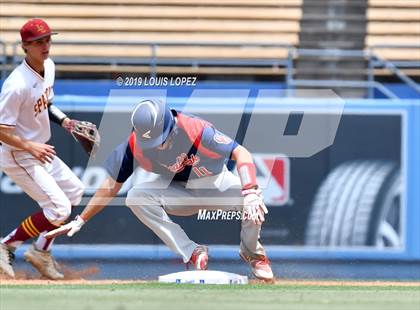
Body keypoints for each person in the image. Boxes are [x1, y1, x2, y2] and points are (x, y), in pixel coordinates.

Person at [47, 99, 274, 281]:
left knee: (253, 201)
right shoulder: (134, 146)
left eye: (160, 139)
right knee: (136, 196)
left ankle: (253, 254)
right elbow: (109, 186)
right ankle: (192, 251)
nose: (155, 145)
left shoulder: (195, 129)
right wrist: (81, 220)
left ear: (171, 126)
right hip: (179, 192)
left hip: (215, 184)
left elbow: (241, 153)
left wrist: (251, 189)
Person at [0, 19, 86, 280]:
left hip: (39, 149)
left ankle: (41, 251)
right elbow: (1, 130)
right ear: (26, 46)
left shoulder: (48, 66)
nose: (45, 45)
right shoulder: (16, 85)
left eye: (47, 39)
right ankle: (6, 245)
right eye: (38, 42)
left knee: (75, 192)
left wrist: (65, 121)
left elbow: (47, 104)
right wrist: (30, 146)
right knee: (59, 210)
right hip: (17, 153)